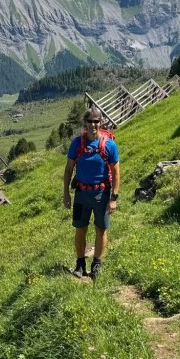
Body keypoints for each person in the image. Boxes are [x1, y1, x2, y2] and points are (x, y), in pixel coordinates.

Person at [62, 107, 120, 280]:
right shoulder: (77, 144)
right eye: (90, 121)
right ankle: (80, 264)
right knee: (80, 228)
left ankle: (96, 264)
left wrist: (114, 198)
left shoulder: (109, 145)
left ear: (101, 123)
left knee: (101, 229)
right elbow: (68, 169)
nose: (93, 124)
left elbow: (116, 172)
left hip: (102, 193)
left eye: (96, 121)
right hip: (81, 193)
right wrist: (66, 193)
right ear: (85, 123)